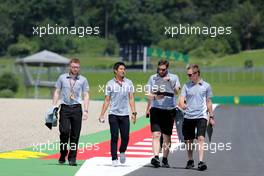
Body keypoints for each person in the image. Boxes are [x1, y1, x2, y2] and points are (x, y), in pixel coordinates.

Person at [52, 58, 89, 166]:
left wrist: (86, 110)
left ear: (79, 68)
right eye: (73, 67)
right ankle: (63, 153)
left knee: (75, 135)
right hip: (65, 108)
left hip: (77, 108)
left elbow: (86, 95)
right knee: (64, 132)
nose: (75, 69)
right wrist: (54, 106)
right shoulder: (62, 78)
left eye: (77, 67)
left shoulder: (83, 80)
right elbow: (57, 91)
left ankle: (72, 158)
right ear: (70, 67)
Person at [99, 62, 137, 167]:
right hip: (113, 114)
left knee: (125, 137)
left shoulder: (129, 83)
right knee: (114, 136)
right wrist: (102, 114)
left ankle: (122, 151)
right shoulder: (109, 84)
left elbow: (131, 98)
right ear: (115, 71)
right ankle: (114, 158)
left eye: (124, 69)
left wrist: (134, 112)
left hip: (124, 114)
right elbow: (107, 100)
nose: (123, 71)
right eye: (121, 69)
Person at [179, 64, 215, 171]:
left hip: (201, 116)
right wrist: (183, 104)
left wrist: (211, 116)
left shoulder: (206, 86)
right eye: (188, 75)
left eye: (190, 75)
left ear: (197, 73)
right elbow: (181, 98)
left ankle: (201, 161)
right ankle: (190, 160)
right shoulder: (186, 86)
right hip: (188, 116)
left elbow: (208, 101)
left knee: (201, 138)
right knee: (189, 140)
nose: (189, 77)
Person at [145, 60, 181, 168]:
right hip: (156, 109)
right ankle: (156, 157)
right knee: (156, 134)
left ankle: (165, 159)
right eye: (159, 69)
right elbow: (147, 93)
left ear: (167, 68)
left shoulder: (174, 77)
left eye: (163, 69)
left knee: (167, 137)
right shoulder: (152, 78)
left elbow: (177, 91)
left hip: (169, 110)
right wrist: (155, 98)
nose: (161, 71)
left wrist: (169, 82)